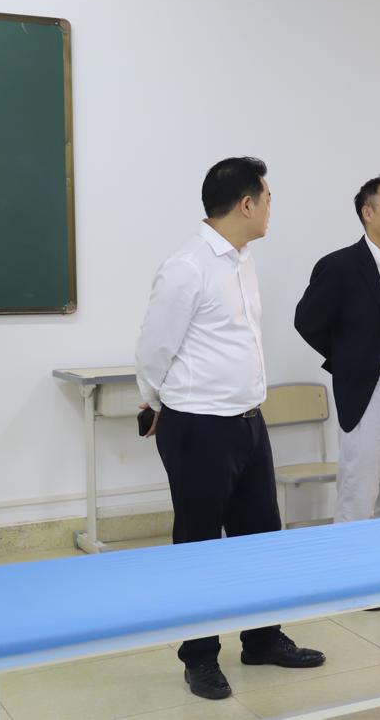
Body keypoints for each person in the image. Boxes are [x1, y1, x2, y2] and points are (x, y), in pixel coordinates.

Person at [135, 157, 324, 701]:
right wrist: (155, 403)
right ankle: (199, 657)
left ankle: (261, 640)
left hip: (248, 422)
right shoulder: (187, 266)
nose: (270, 208)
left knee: (260, 538)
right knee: (199, 546)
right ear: (246, 204)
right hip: (199, 427)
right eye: (267, 198)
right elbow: (154, 348)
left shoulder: (242, 259)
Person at [294, 175, 380, 526]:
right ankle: (349, 559)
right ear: (368, 213)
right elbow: (306, 322)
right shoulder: (340, 266)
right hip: (369, 391)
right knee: (358, 494)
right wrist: (350, 361)